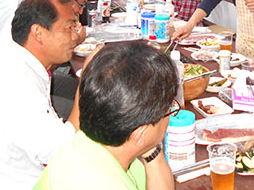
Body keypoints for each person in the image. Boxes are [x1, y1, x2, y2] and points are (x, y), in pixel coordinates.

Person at [0, 0, 98, 190]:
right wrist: (86, 83)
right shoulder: (14, 83)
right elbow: (62, 151)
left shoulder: (20, 64)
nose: (76, 35)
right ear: (38, 33)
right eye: (69, 27)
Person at [34, 42, 177, 190]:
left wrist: (150, 145)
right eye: (170, 108)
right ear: (140, 134)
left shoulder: (87, 141)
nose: (172, 110)